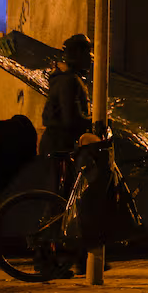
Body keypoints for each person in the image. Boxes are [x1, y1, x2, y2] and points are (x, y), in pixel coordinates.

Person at [41, 34, 94, 193]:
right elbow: (70, 119)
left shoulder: (64, 78)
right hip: (59, 147)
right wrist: (95, 122)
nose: (91, 58)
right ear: (77, 54)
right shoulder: (69, 81)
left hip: (57, 145)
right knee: (61, 196)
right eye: (87, 53)